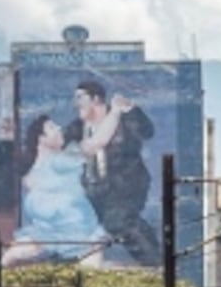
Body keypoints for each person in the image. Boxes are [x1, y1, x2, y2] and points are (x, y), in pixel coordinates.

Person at [64, 80, 162, 265]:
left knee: (120, 221)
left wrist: (132, 109)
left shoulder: (124, 118)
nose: (76, 103)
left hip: (126, 184)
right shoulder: (78, 127)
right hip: (94, 188)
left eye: (80, 98)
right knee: (76, 227)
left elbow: (147, 131)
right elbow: (64, 146)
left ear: (96, 99)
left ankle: (157, 265)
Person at [2, 113, 116, 268]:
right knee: (8, 260)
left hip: (80, 235)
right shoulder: (34, 169)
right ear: (41, 138)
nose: (59, 129)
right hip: (46, 233)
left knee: (89, 278)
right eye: (51, 127)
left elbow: (98, 142)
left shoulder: (64, 160)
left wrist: (115, 112)